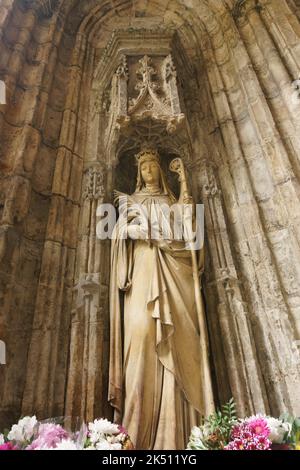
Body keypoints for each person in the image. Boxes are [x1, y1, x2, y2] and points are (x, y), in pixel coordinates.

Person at [108, 148, 209, 450]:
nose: (150, 169)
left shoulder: (173, 201)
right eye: (144, 166)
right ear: (138, 172)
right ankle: (134, 436)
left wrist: (187, 201)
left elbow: (191, 240)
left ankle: (183, 435)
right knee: (140, 334)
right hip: (142, 275)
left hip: (176, 279)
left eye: (153, 164)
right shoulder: (132, 202)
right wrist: (135, 230)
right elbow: (117, 236)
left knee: (180, 342)